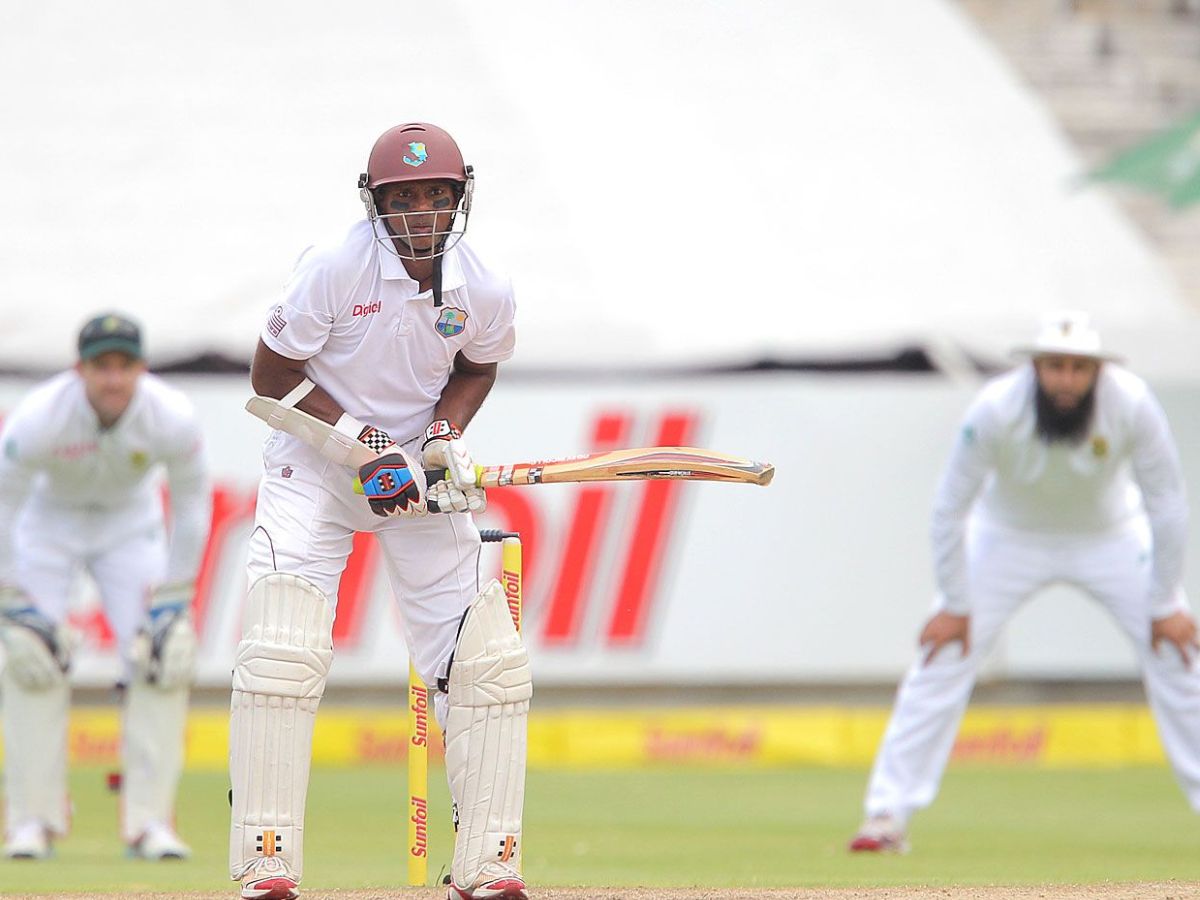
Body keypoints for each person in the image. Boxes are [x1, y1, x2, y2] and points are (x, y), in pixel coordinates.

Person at [229, 122, 528, 900]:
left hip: (415, 474)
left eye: (436, 195)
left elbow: (476, 369)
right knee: (282, 649)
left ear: (459, 198)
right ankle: (266, 860)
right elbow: (271, 378)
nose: (421, 212)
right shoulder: (335, 267)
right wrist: (364, 446)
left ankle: (489, 863)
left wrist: (441, 437)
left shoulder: (485, 286)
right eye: (404, 197)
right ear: (377, 203)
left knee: (485, 662)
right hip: (313, 461)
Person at [849, 310, 1196, 853]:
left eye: (1078, 368)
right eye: (1055, 366)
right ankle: (886, 816)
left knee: (1180, 655)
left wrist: (1164, 601)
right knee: (942, 655)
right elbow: (949, 507)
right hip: (1008, 538)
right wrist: (956, 602)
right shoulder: (995, 407)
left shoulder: (1131, 403)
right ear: (1034, 367)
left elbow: (1167, 502)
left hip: (1110, 537)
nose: (1066, 380)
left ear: (1097, 370)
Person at [0, 313, 210, 860]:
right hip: (49, 525)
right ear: (80, 370)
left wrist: (176, 596)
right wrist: (10, 600)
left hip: (130, 526)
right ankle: (31, 821)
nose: (113, 379)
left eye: (124, 365)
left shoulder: (171, 416)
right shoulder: (39, 417)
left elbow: (191, 503)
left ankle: (150, 823)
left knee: (162, 657)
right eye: (101, 366)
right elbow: (4, 502)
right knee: (30, 660)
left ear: (142, 368)